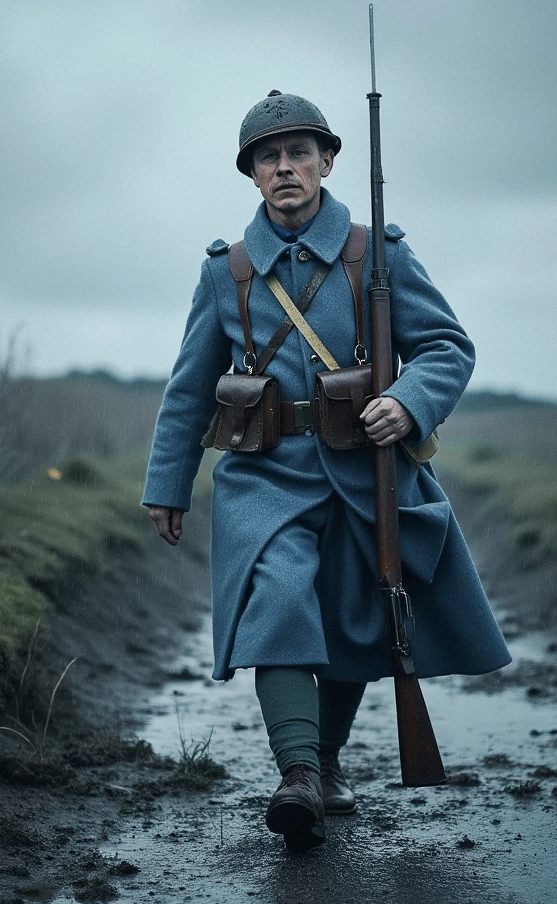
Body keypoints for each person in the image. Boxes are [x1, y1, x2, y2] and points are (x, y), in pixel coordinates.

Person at [143, 91, 510, 852]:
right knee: (277, 597)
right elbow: (188, 389)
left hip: (360, 465)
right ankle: (299, 774)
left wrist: (408, 403)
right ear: (251, 175)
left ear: (328, 162)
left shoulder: (380, 252)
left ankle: (328, 758)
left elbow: (448, 347)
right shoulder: (228, 271)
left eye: (299, 154)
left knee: (350, 613)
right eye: (269, 158)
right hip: (262, 473)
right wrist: (167, 484)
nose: (285, 168)